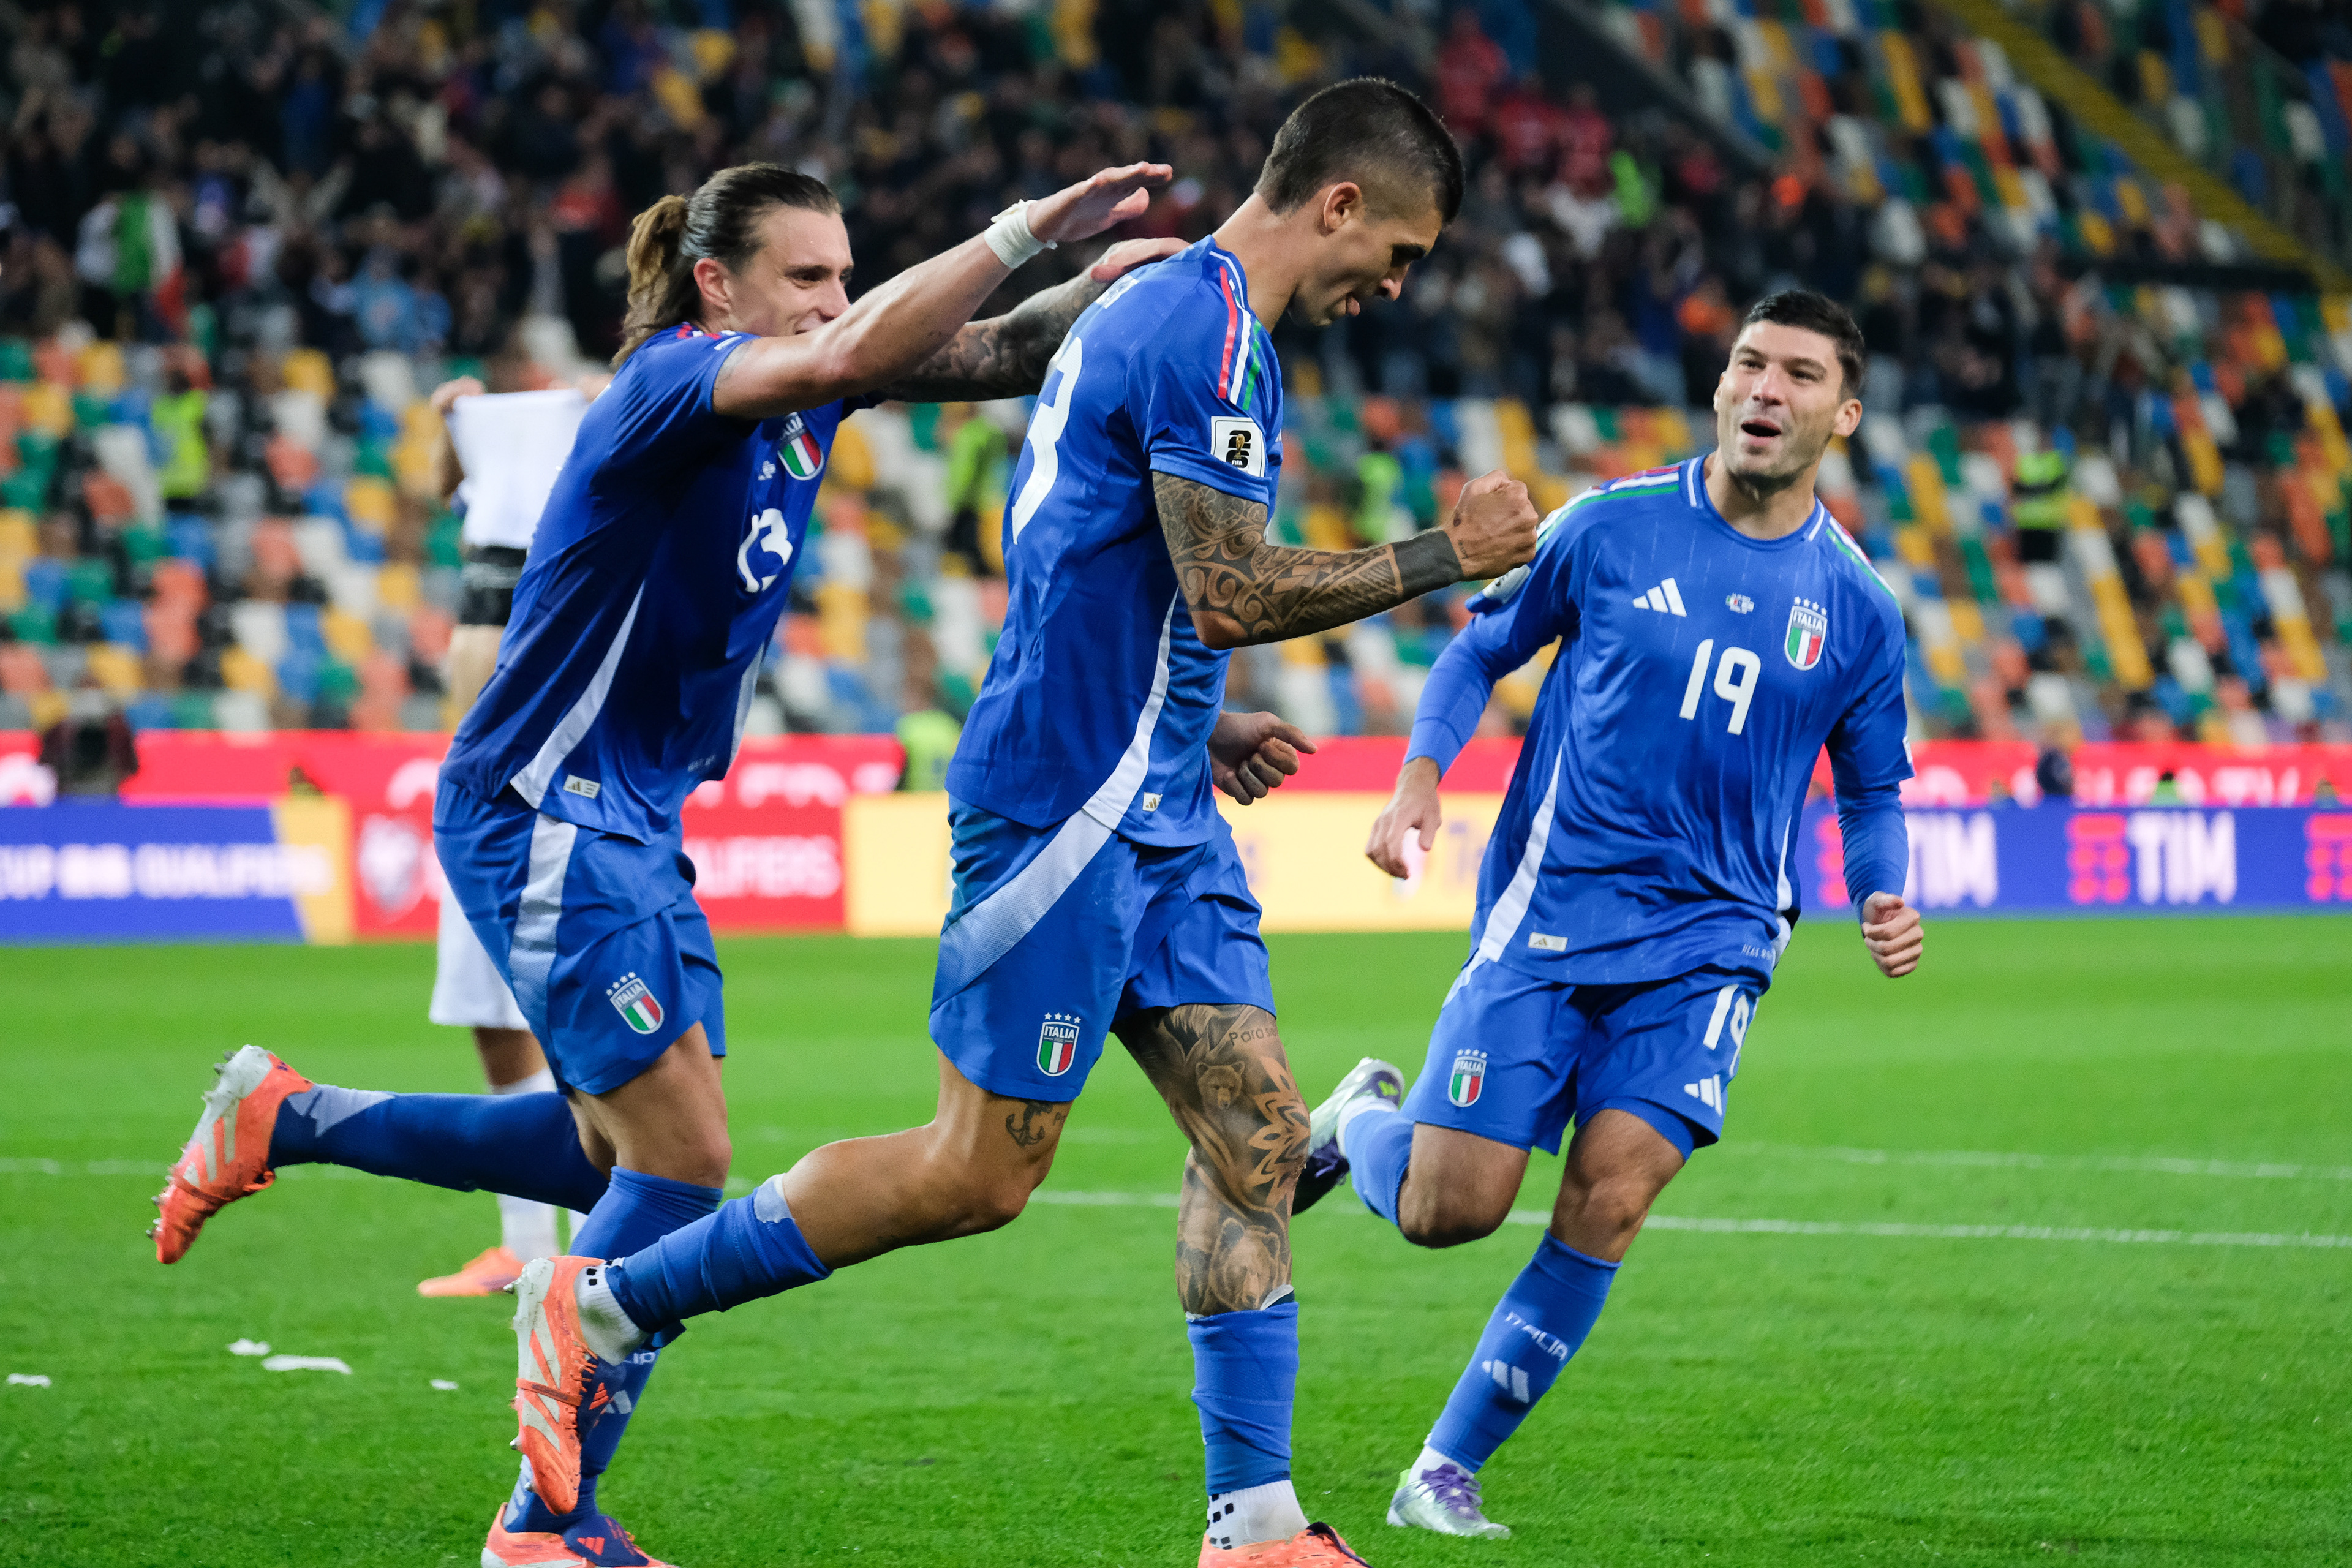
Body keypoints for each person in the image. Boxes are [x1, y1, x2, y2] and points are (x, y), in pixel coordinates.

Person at [496, 79, 1539, 1568]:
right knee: (974, 1174)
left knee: (1252, 1132)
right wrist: (1453, 550)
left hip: (1154, 794)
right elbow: (1231, 586)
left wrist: (1195, 713)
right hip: (1063, 804)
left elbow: (1102, 552)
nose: (1398, 284)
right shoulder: (1199, 324)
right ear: (1341, 203)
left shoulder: (1193, 315)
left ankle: (1251, 1525)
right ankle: (606, 1299)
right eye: (1408, 250)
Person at [147, 155, 1176, 1568]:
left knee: (606, 1150)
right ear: (718, 285)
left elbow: (991, 350)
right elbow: (871, 341)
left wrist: (1105, 292)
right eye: (806, 274)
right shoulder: (674, 381)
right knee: (684, 1157)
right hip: (545, 802)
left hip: (628, 815)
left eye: (840, 269)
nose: (835, 295)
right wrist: (1021, 227)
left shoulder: (814, 379)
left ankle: (287, 1115)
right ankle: (544, 1522)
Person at [1297, 290, 1926, 1540]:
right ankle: (1359, 1117)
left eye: (1799, 374)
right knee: (1448, 1207)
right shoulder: (1609, 527)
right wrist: (1421, 773)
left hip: (1714, 941)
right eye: (1749, 362)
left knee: (1613, 1194)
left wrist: (1883, 885)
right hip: (1552, 912)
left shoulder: (1857, 605)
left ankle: (1443, 1468)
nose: (1765, 387)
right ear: (1718, 386)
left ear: (1842, 415)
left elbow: (1871, 786)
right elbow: (1479, 653)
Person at [414, 369, 596, 1298]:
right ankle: (528, 1245)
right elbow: (442, 484)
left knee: (573, 1022)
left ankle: (608, 1234)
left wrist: (600, 405)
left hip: (535, 790)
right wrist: (458, 423)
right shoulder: (493, 495)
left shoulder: (588, 493)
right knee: (493, 1021)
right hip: (470, 785)